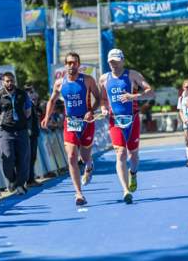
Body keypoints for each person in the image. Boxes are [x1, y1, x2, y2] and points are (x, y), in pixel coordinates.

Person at [41, 52, 100, 206]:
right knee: (72, 156)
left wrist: (91, 110)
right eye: (68, 63)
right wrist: (47, 116)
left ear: (79, 65)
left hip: (87, 122)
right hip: (70, 123)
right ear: (65, 65)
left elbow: (99, 98)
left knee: (85, 156)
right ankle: (79, 193)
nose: (71, 66)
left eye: (74, 63)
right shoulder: (60, 83)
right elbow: (52, 100)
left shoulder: (87, 80)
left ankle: (89, 164)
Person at [99, 49, 154, 204]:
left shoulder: (133, 75)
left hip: (133, 119)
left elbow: (151, 92)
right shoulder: (104, 78)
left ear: (122, 61)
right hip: (114, 121)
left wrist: (133, 96)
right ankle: (125, 190)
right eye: (111, 62)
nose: (114, 65)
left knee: (133, 155)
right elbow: (103, 98)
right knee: (121, 153)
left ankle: (133, 173)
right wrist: (103, 108)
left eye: (116, 61)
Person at [0, 72, 32, 195]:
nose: (10, 83)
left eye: (11, 81)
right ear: (3, 82)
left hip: (21, 131)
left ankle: (20, 185)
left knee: (23, 159)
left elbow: (28, 111)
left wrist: (20, 121)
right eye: (7, 81)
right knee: (7, 157)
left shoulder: (23, 94)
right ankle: (12, 180)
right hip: (5, 131)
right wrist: (2, 124)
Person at [24, 84, 43, 187]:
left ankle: (31, 178)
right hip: (28, 134)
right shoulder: (25, 104)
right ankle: (27, 180)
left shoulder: (34, 105)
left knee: (33, 157)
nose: (33, 94)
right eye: (30, 92)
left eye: (33, 91)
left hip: (34, 133)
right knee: (28, 157)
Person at [177, 79, 188, 166]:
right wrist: (183, 119)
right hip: (186, 122)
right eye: (186, 87)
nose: (187, 88)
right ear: (183, 88)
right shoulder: (181, 98)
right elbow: (180, 111)